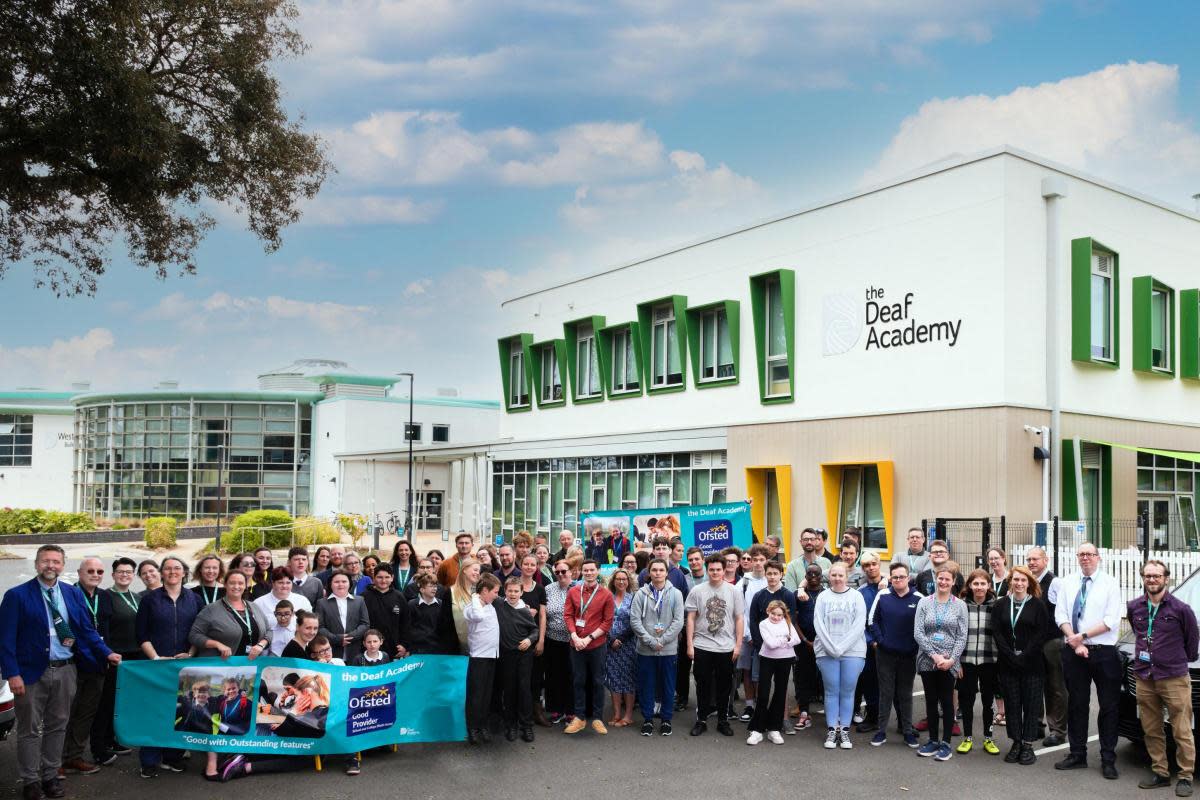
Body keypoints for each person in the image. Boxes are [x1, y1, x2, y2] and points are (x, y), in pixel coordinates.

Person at [1, 546, 118, 800]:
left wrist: (106, 652)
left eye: (56, 561)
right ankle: (31, 781)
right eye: (46, 561)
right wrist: (12, 674)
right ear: (36, 564)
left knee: (58, 726)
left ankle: (50, 776)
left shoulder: (71, 594)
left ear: (63, 565)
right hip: (31, 674)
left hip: (66, 671)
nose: (50, 565)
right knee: (29, 730)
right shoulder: (16, 595)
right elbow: (5, 639)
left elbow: (86, 630)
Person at [187, 570, 269, 779]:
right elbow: (194, 635)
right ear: (225, 584)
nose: (236, 587)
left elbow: (268, 631)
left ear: (246, 584)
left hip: (248, 670)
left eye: (240, 583)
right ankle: (211, 764)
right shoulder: (211, 610)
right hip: (221, 669)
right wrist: (217, 644)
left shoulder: (253, 607)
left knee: (243, 714)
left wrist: (261, 644)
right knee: (218, 716)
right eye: (232, 583)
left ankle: (236, 756)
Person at [1053, 542, 1123, 779]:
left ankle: (1108, 758)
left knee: (1108, 706)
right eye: (1081, 554)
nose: (1085, 558)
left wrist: (1080, 637)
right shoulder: (1068, 582)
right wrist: (1076, 643)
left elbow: (1111, 620)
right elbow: (1060, 614)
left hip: (1104, 652)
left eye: (1089, 554)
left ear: (1098, 557)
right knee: (1077, 703)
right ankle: (1077, 754)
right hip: (1074, 653)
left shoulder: (1110, 583)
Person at [1129, 560, 1199, 795]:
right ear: (1143, 578)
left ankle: (1186, 776)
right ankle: (1160, 772)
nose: (1152, 580)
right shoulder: (1135, 607)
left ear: (1166, 578)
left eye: (1157, 576)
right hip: (1145, 676)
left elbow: (1192, 643)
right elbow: (1139, 633)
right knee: (1151, 728)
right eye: (1148, 576)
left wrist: (1174, 659)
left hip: (1173, 677)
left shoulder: (1181, 609)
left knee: (1181, 730)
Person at [135, 555, 201, 777]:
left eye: (177, 568)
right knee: (155, 712)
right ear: (162, 573)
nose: (173, 572)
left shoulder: (195, 598)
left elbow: (199, 632)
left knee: (182, 711)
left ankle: (173, 756)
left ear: (184, 572)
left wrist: (191, 654)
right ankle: (149, 759)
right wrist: (155, 658)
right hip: (157, 665)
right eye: (168, 568)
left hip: (185, 665)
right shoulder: (149, 600)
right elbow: (141, 634)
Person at [991, 565, 1049, 767]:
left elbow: (1041, 634)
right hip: (1007, 664)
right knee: (1013, 705)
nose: (1019, 583)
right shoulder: (1000, 605)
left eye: (1023, 580)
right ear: (1010, 582)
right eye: (1016, 580)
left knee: (1031, 705)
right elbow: (997, 632)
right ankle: (1015, 742)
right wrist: (1010, 655)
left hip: (1032, 664)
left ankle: (1027, 744)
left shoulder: (1038, 605)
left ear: (1029, 583)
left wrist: (1023, 656)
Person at [60, 557, 113, 774]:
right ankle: (56, 761)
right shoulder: (68, 595)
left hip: (99, 664)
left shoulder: (105, 596)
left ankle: (75, 756)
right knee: (65, 713)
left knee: (86, 713)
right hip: (74, 662)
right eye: (90, 570)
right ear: (79, 573)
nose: (95, 575)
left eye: (100, 572)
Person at [914, 560, 967, 761]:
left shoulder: (960, 605)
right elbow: (918, 632)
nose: (943, 582)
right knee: (930, 701)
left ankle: (945, 744)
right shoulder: (924, 603)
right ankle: (932, 741)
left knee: (947, 702)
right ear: (936, 580)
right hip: (928, 660)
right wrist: (934, 656)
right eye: (940, 578)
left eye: (947, 579)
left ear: (953, 582)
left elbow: (962, 635)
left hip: (949, 662)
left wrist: (952, 659)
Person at [686, 553, 744, 737]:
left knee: (724, 686)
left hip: (726, 647)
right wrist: (689, 645)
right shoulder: (697, 591)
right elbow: (691, 618)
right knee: (702, 685)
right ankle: (701, 720)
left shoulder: (734, 591)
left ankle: (723, 720)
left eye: (718, 569)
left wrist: (738, 645)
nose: (715, 573)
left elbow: (739, 618)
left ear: (724, 569)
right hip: (702, 645)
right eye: (711, 569)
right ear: (706, 569)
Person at [813, 562, 867, 750]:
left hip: (853, 652)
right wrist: (832, 648)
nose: (837, 578)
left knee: (847, 691)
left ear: (847, 576)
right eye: (833, 575)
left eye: (840, 575)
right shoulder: (822, 597)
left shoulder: (857, 596)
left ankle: (844, 730)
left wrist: (841, 647)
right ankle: (832, 729)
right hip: (827, 651)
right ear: (829, 576)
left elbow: (859, 624)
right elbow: (818, 624)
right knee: (831, 690)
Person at [867, 561, 921, 748]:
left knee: (905, 694)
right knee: (886, 693)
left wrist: (914, 646)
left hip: (908, 655)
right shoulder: (883, 595)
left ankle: (907, 732)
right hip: (885, 655)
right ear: (890, 578)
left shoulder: (919, 598)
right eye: (895, 577)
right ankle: (881, 731)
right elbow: (872, 621)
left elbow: (922, 627)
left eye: (902, 576)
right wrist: (881, 641)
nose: (898, 580)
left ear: (908, 578)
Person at [630, 559, 684, 736]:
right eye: (654, 570)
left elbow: (678, 621)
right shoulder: (640, 594)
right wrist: (652, 641)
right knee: (647, 685)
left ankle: (666, 719)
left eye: (661, 570)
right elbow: (635, 621)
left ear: (667, 573)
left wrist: (663, 640)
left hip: (668, 649)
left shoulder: (675, 593)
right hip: (646, 649)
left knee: (668, 685)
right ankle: (647, 719)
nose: (658, 573)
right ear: (649, 573)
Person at [95, 557, 141, 762]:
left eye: (129, 572)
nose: (125, 575)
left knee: (121, 702)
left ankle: (113, 738)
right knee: (107, 702)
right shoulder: (105, 596)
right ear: (113, 575)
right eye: (120, 571)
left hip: (134, 657)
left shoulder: (137, 597)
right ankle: (101, 743)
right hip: (115, 656)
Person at [563, 560, 615, 735]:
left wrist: (589, 638)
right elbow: (568, 615)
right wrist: (575, 636)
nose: (589, 573)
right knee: (578, 681)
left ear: (598, 571)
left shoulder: (606, 595)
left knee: (598, 681)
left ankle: (598, 718)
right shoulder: (573, 591)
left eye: (592, 570)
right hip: (576, 644)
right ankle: (579, 718)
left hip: (597, 645)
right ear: (581, 571)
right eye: (586, 570)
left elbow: (607, 622)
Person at [1025, 546, 1067, 746]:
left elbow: (1062, 611)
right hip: (1033, 643)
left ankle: (1057, 731)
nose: (1032, 562)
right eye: (1029, 559)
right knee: (1035, 684)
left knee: (1055, 687)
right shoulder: (1027, 582)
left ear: (1045, 560)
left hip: (1052, 642)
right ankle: (1037, 725)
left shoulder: (1055, 583)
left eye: (1035, 559)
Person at [957, 569, 999, 755]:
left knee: (988, 700)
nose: (979, 587)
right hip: (966, 660)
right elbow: (956, 634)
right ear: (970, 586)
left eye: (983, 583)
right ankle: (967, 738)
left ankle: (988, 738)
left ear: (989, 585)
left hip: (990, 660)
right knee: (967, 700)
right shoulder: (961, 605)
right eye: (976, 583)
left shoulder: (997, 605)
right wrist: (956, 660)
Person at [748, 600, 802, 745]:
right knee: (763, 693)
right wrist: (785, 640)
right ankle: (757, 730)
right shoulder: (763, 624)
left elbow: (796, 640)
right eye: (773, 614)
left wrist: (783, 640)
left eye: (779, 615)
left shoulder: (787, 622)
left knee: (780, 693)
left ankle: (774, 728)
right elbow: (770, 644)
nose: (777, 617)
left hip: (785, 660)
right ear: (768, 611)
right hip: (767, 659)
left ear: (783, 614)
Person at [496, 576, 539, 742]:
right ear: (504, 591)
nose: (512, 594)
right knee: (509, 690)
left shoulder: (525, 611)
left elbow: (534, 631)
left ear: (522, 592)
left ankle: (526, 725)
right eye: (510, 590)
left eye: (516, 591)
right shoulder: (499, 604)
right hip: (506, 655)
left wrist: (529, 640)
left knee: (524, 689)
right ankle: (510, 725)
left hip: (524, 655)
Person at [464, 573, 501, 745]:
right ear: (484, 591)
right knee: (476, 695)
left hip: (491, 656)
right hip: (478, 658)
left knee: (486, 695)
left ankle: (483, 725)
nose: (496, 595)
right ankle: (473, 728)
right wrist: (474, 595)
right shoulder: (472, 607)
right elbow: (477, 617)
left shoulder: (491, 605)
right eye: (494, 591)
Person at [736, 544, 770, 721]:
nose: (757, 563)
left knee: (761, 673)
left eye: (761, 560)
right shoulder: (744, 582)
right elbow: (740, 610)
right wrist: (748, 634)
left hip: (766, 637)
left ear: (767, 561)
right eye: (754, 559)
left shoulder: (771, 580)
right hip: (746, 635)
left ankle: (760, 705)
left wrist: (762, 635)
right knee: (747, 671)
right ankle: (749, 705)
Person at [602, 569, 637, 728]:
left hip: (628, 644)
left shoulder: (634, 599)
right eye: (618, 579)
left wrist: (620, 640)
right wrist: (610, 640)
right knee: (614, 678)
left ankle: (628, 715)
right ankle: (616, 713)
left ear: (628, 581)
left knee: (628, 678)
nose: (621, 582)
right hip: (610, 645)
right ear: (613, 581)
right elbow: (603, 619)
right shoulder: (608, 598)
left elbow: (635, 623)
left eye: (624, 579)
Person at [516, 555, 549, 725]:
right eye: (526, 564)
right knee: (518, 678)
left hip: (535, 637)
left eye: (532, 565)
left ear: (537, 567)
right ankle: (519, 713)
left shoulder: (540, 589)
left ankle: (536, 711)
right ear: (520, 565)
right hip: (515, 638)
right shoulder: (513, 585)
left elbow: (543, 616)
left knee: (535, 677)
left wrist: (541, 640)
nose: (529, 567)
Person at [853, 551, 884, 732]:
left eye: (874, 563)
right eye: (866, 565)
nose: (871, 568)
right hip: (869, 645)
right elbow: (859, 621)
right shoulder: (860, 593)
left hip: (890, 644)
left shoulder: (892, 586)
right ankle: (872, 717)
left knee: (894, 685)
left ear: (879, 564)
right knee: (870, 682)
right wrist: (871, 641)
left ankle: (903, 722)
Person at [543, 560, 575, 725]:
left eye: (564, 571)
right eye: (558, 572)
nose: (561, 575)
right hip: (553, 639)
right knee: (554, 676)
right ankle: (556, 709)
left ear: (572, 572)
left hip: (573, 641)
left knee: (571, 675)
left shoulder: (578, 588)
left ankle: (571, 711)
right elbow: (543, 613)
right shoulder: (549, 589)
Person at [791, 563, 823, 731]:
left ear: (821, 576)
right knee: (802, 676)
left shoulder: (827, 593)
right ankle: (804, 711)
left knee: (825, 677)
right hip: (803, 643)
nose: (812, 577)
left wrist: (819, 641)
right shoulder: (797, 595)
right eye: (809, 574)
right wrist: (804, 640)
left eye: (816, 574)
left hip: (824, 643)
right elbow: (793, 620)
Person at [317, 571, 370, 661]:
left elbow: (365, 624)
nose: (340, 584)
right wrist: (337, 639)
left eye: (344, 581)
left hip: (354, 649)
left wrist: (350, 636)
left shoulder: (359, 600)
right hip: (332, 649)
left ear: (350, 584)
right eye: (336, 582)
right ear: (330, 584)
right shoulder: (322, 603)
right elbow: (320, 627)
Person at [360, 564, 410, 658]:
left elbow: (406, 623)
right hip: (370, 649)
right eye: (379, 577)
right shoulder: (364, 597)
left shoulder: (399, 597)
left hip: (394, 649)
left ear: (392, 578)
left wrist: (404, 645)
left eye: (387, 577)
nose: (383, 581)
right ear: (374, 578)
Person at [404, 575, 457, 655]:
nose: (435, 589)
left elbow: (445, 627)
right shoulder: (412, 605)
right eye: (431, 586)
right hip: (417, 648)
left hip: (437, 648)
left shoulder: (441, 604)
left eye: (435, 586)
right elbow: (407, 627)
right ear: (422, 589)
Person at [450, 558, 482, 654]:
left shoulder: (478, 593)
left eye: (479, 571)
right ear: (464, 569)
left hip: (476, 647)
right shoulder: (450, 592)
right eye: (475, 570)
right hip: (456, 648)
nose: (478, 573)